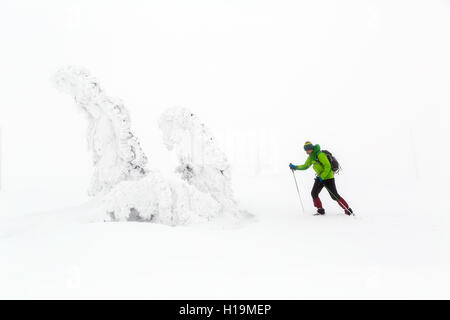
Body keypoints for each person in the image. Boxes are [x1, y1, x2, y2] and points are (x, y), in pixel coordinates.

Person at [289, 141, 353, 216]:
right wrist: (295, 167)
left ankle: (348, 209)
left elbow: (328, 167)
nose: (306, 152)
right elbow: (305, 166)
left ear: (311, 148)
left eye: (307, 150)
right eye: (305, 150)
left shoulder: (320, 155)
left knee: (334, 196)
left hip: (328, 177)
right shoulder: (311, 157)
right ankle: (320, 210)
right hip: (319, 177)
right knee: (314, 193)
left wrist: (322, 177)